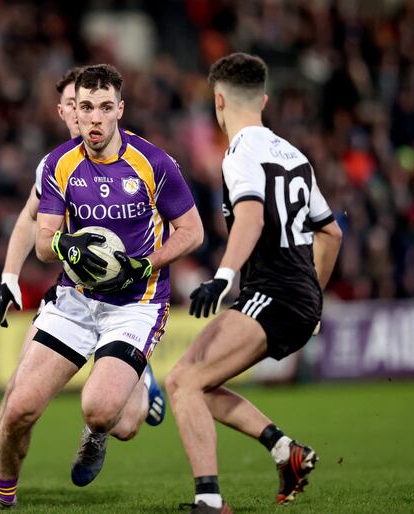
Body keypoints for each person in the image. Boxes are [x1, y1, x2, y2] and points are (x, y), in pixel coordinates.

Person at [0, 64, 204, 510]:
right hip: (75, 300)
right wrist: (68, 246)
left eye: (103, 108)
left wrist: (142, 265)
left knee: (104, 413)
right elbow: (42, 242)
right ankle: (1, 495)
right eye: (86, 108)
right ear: (72, 110)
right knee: (19, 406)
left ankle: (102, 424)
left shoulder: (154, 163)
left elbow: (193, 232)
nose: (93, 118)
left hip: (136, 303)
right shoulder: (60, 163)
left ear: (120, 110)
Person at [165, 53, 342, 513]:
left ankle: (209, 501)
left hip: (274, 291)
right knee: (196, 382)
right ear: (263, 99)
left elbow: (251, 216)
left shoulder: (240, 151)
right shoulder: (293, 154)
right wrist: (315, 299)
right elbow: (331, 231)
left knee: (183, 381)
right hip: (298, 294)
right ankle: (286, 451)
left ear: (218, 101)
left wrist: (223, 276)